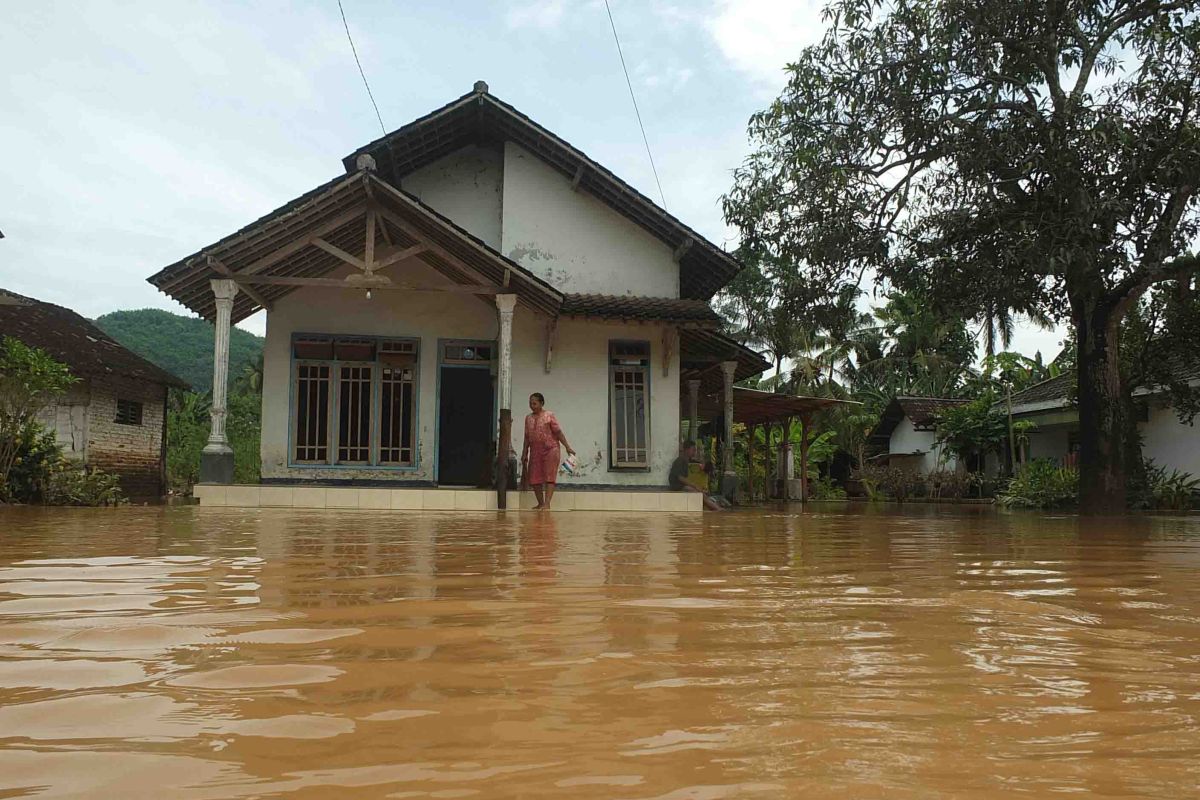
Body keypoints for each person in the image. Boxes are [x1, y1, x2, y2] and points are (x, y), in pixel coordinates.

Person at [521, 392, 574, 510]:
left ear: (541, 403)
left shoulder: (549, 415)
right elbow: (526, 437)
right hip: (535, 451)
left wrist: (567, 446)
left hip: (551, 449)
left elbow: (558, 432)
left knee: (549, 477)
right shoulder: (528, 418)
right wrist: (524, 452)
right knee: (534, 478)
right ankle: (540, 503)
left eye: (534, 403)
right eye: (530, 403)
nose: (532, 406)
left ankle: (547, 503)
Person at [670, 441, 723, 511]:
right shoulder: (679, 461)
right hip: (677, 485)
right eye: (693, 450)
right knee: (700, 494)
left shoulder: (688, 460)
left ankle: (716, 508)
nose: (694, 452)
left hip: (683, 485)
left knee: (702, 493)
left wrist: (703, 464)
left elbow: (704, 464)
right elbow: (680, 478)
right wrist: (694, 485)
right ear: (686, 450)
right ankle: (718, 509)